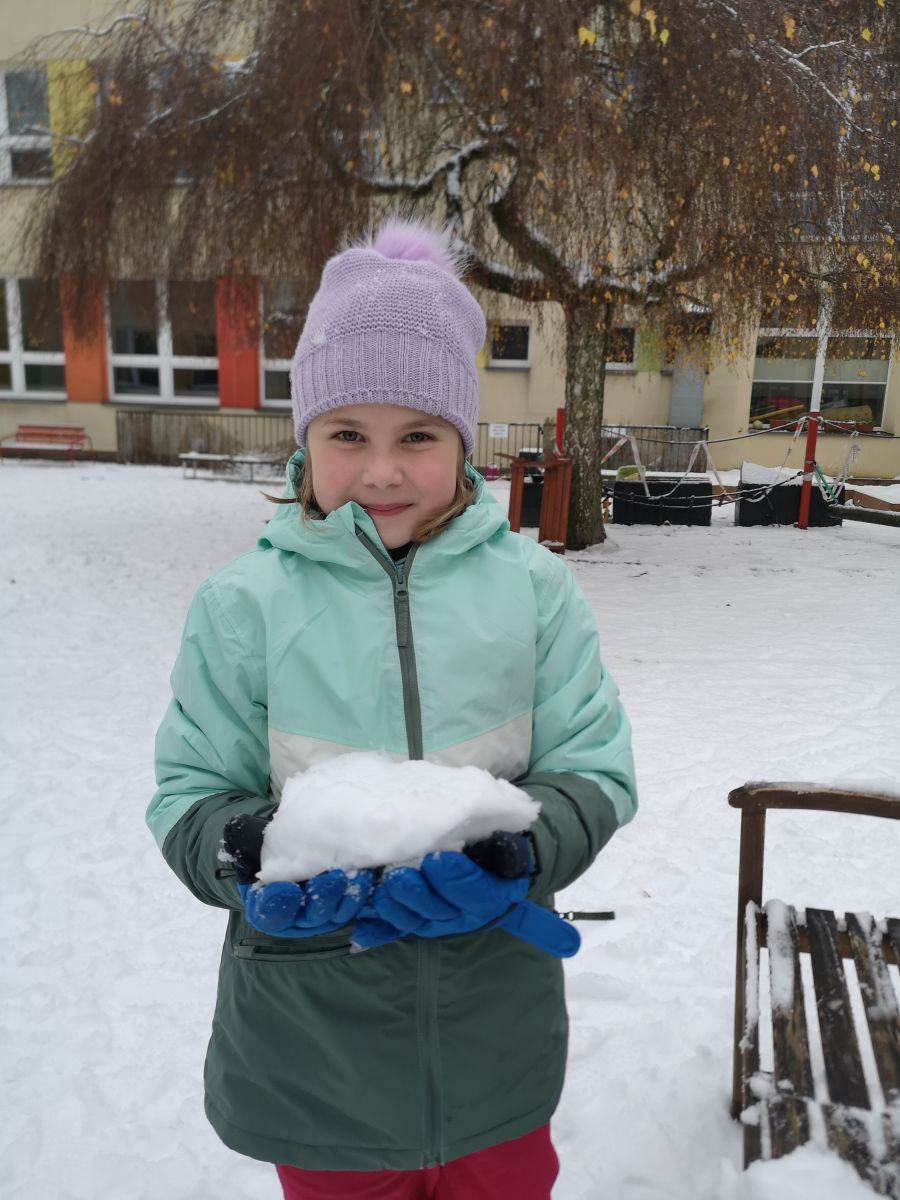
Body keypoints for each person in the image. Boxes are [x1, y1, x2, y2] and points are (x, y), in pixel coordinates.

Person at [148, 216, 637, 1200]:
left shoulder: (533, 591)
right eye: (348, 435)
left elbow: (595, 767)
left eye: (417, 435)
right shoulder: (245, 606)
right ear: (306, 440)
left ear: (461, 438)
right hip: (314, 1047)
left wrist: (522, 850)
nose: (381, 470)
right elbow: (191, 790)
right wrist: (247, 851)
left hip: (491, 1035)